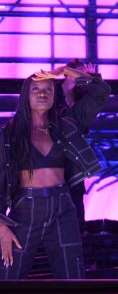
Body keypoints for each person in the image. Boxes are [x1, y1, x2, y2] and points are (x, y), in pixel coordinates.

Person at [0, 64, 110, 280]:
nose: (42, 93)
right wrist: (2, 224)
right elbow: (1, 177)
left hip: (62, 207)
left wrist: (65, 71)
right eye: (35, 89)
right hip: (24, 210)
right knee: (7, 278)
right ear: (25, 95)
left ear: (56, 94)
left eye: (48, 89)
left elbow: (101, 91)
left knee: (73, 278)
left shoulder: (67, 123)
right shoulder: (10, 132)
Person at [59, 59, 96, 234]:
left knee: (76, 189)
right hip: (54, 148)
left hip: (74, 150)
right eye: (79, 71)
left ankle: (80, 229)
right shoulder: (53, 90)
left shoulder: (82, 95)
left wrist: (94, 79)